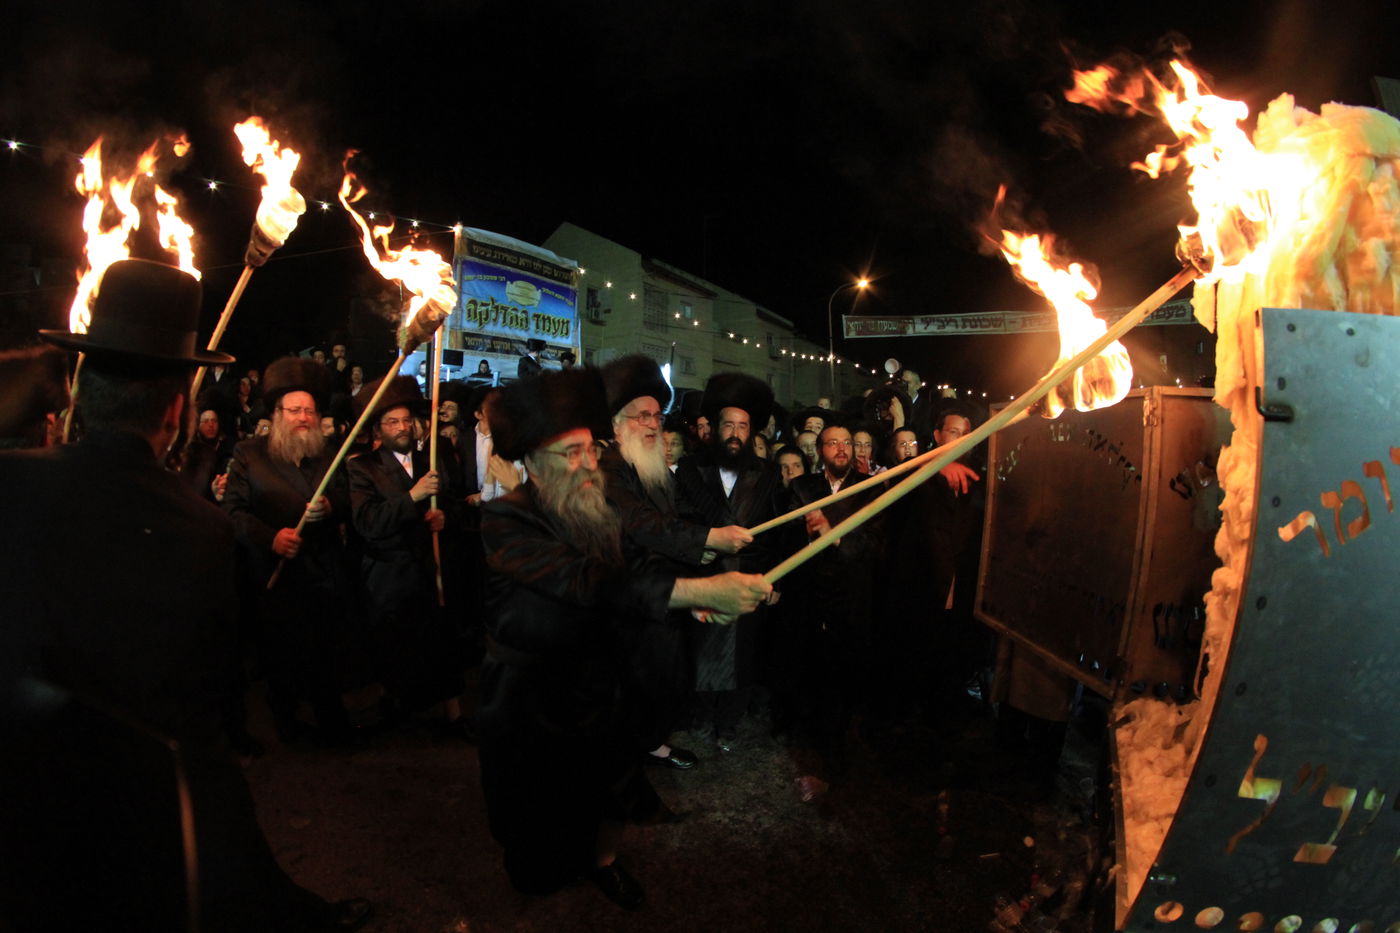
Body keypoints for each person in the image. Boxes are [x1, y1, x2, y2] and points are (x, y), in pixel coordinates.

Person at [0, 258, 371, 932]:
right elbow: (193, 682)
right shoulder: (198, 527)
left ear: (81, 388)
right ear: (176, 409)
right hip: (131, 792)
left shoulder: (12, 483)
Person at [475, 367, 770, 907]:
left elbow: (640, 566)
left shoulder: (597, 511)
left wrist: (703, 595)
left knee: (610, 787)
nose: (589, 465)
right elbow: (586, 582)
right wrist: (688, 593)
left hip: (599, 685)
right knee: (535, 818)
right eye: (572, 454)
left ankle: (604, 864)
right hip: (529, 699)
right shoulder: (505, 520)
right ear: (534, 464)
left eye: (591, 450)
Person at [599, 355, 753, 772]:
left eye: (657, 416)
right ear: (616, 425)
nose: (653, 425)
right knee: (633, 682)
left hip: (660, 599)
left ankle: (650, 743)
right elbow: (637, 523)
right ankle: (628, 755)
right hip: (629, 603)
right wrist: (706, 539)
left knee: (660, 680)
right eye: (642, 416)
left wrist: (702, 547)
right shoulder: (608, 468)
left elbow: (675, 518)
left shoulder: (649, 467)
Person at [222, 356, 356, 745]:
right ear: (278, 413)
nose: (303, 417)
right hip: (275, 575)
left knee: (326, 656)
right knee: (282, 658)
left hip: (324, 574)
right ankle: (288, 725)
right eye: (294, 410)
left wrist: (332, 507)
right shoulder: (250, 454)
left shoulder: (327, 454)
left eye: (309, 411)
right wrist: (271, 538)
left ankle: (334, 724)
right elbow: (232, 511)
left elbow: (347, 496)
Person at [347, 375, 467, 731]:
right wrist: (412, 498)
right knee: (395, 647)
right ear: (379, 430)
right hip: (390, 575)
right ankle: (394, 707)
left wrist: (445, 516)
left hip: (432, 568)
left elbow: (454, 503)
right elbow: (367, 521)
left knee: (442, 645)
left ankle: (455, 715)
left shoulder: (432, 457)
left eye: (406, 420)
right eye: (392, 421)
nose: (402, 427)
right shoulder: (362, 467)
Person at [672, 372, 785, 751]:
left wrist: (775, 582)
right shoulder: (689, 470)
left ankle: (729, 722)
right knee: (702, 653)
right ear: (716, 429)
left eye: (743, 426)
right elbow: (679, 524)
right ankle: (702, 716)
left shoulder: (768, 474)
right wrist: (697, 551)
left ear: (751, 431)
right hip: (704, 577)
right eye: (728, 425)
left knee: (743, 656)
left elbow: (778, 536)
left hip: (750, 578)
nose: (735, 433)